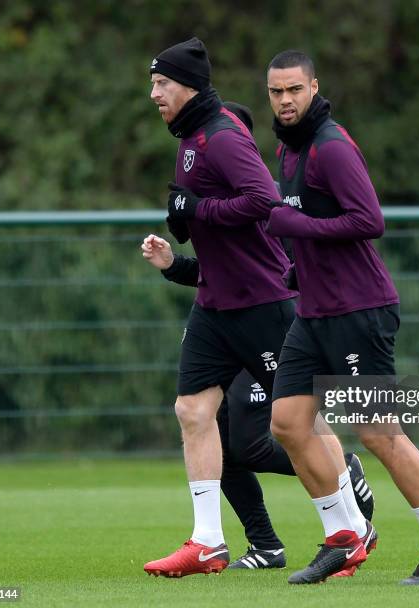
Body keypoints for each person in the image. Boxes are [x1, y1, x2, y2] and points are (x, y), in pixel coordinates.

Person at [142, 39, 371, 578]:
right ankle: (207, 542)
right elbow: (208, 211)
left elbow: (260, 202)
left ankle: (352, 530)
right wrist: (184, 227)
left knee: (298, 425)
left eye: (161, 84)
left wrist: (197, 207)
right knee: (192, 411)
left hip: (262, 302)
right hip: (215, 306)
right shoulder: (189, 136)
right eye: (153, 84)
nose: (153, 94)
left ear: (187, 86)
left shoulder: (222, 134)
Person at [264, 50, 419, 585]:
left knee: (378, 432)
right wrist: (295, 267)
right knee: (287, 423)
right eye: (275, 92)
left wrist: (295, 225)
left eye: (293, 90)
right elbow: (306, 221)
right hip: (314, 311)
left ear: (313, 87)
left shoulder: (330, 147)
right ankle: (346, 538)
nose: (284, 100)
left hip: (360, 311)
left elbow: (368, 220)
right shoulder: (289, 151)